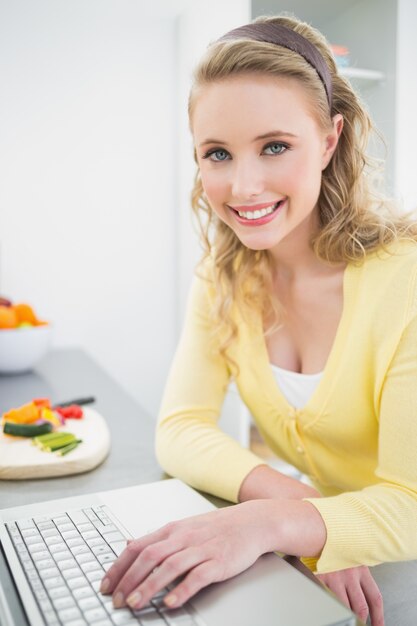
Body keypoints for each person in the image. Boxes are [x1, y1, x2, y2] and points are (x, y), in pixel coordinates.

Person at [100, 14, 417, 626]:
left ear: (329, 141)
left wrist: (274, 521)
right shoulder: (225, 277)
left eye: (275, 146)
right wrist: (299, 502)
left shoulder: (406, 283)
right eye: (217, 153)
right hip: (336, 574)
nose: (243, 187)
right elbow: (180, 428)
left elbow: (411, 501)